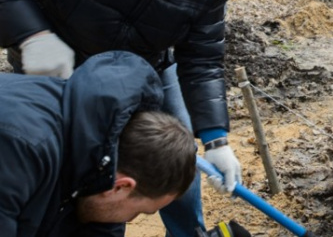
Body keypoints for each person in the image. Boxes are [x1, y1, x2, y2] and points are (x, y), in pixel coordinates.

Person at [0, 0, 256, 236]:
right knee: (66, 176)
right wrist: (32, 35)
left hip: (141, 76)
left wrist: (215, 137)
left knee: (167, 168)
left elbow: (201, 62)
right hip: (55, 66)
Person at [0, 51, 196, 236]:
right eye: (139, 212)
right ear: (120, 187)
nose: (130, 218)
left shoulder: (95, 148)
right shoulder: (20, 150)